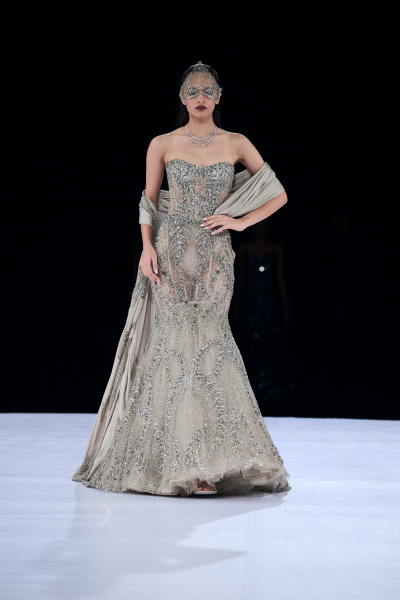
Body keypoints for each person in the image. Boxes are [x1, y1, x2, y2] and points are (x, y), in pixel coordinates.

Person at [73, 62, 290, 496]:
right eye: (193, 90)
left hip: (215, 259)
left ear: (219, 96)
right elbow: (148, 202)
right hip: (170, 254)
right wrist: (146, 247)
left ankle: (210, 461)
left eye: (208, 90)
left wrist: (240, 222)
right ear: (181, 97)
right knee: (173, 348)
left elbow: (278, 194)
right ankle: (179, 461)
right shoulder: (162, 143)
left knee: (211, 346)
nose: (200, 96)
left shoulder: (236, 142)